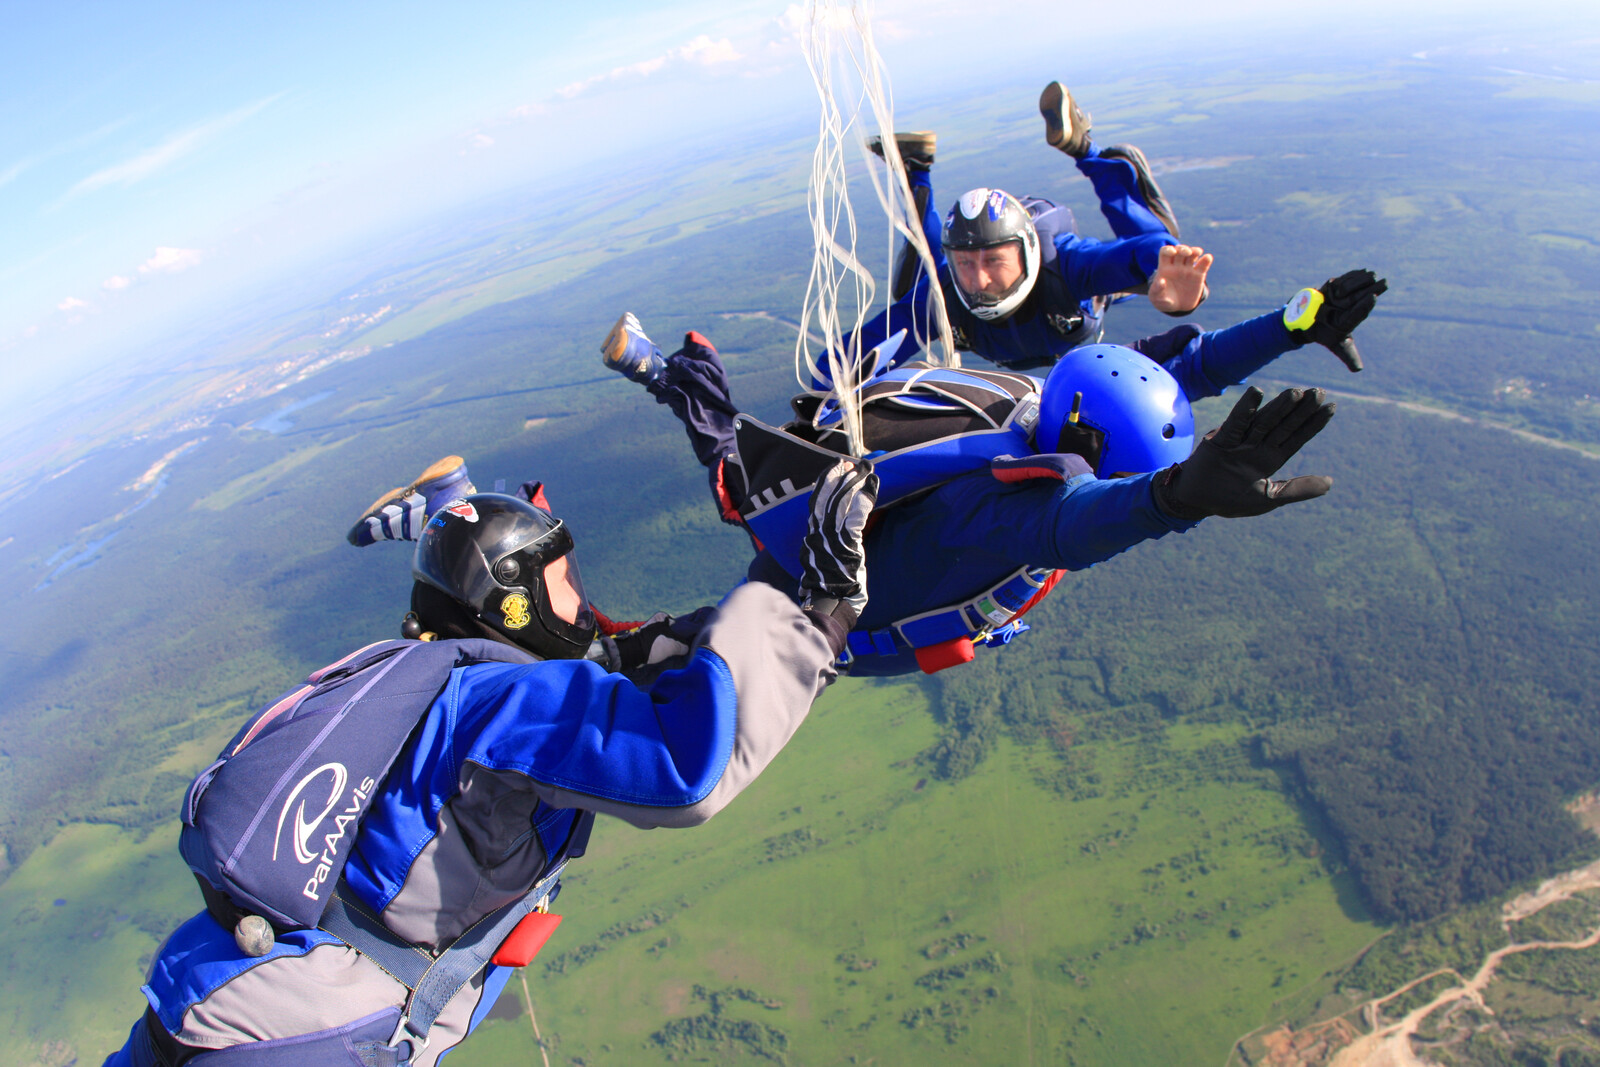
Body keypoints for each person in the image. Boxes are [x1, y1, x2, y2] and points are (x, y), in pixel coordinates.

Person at [105, 462, 877, 1066]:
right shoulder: (504, 697)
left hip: (212, 982)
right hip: (310, 1029)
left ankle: (444, 494)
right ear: (510, 602)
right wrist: (817, 618)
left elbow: (583, 667)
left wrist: (656, 647)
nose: (581, 601)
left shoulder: (427, 673)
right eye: (563, 583)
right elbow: (687, 768)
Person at [601, 266, 1384, 674]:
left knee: (733, 457)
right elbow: (1072, 523)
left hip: (844, 515)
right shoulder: (1005, 505)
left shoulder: (1054, 404)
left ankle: (667, 374)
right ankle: (604, 655)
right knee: (702, 650)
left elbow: (1173, 381)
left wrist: (1289, 327)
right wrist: (1168, 500)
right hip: (822, 599)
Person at [853, 81, 1214, 373]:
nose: (978, 282)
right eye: (965, 263)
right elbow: (859, 351)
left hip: (1067, 294)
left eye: (994, 260)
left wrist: (1173, 291)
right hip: (1034, 322)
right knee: (922, 278)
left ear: (1027, 254)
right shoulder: (946, 293)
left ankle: (1086, 150)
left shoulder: (1066, 269)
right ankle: (914, 168)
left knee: (1153, 236)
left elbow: (1153, 251)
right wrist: (824, 395)